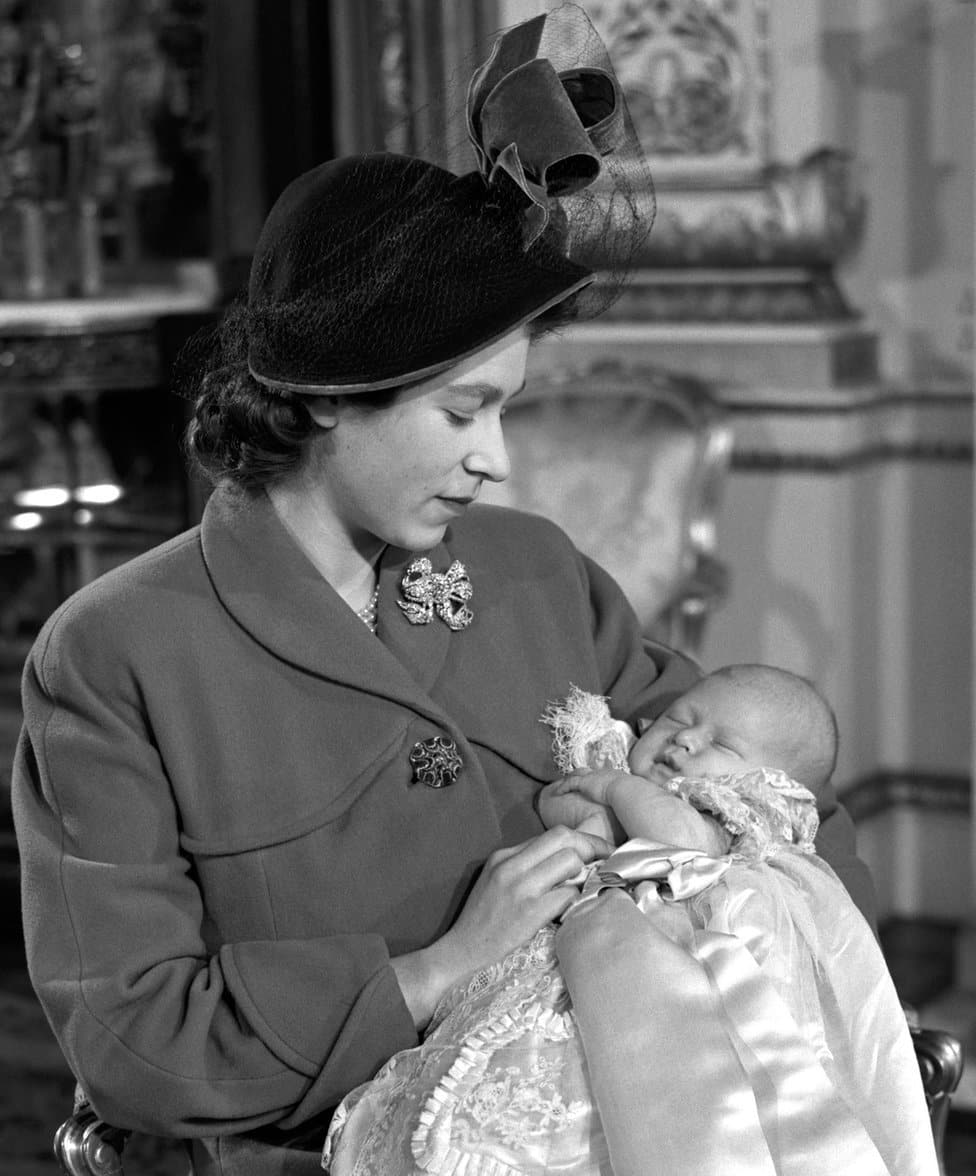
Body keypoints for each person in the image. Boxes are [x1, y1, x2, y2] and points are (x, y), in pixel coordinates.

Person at [11, 8, 875, 1175]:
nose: (496, 457)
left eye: (504, 407)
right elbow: (135, 1039)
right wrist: (430, 975)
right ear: (326, 391)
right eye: (462, 412)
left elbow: (779, 798)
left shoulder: (533, 572)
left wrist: (786, 944)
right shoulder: (116, 655)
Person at [322, 666, 936, 1176]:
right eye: (678, 720)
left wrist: (614, 789)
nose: (685, 741)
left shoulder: (736, 809)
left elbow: (678, 837)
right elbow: (555, 802)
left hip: (676, 977)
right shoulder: (636, 776)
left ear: (768, 777)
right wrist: (592, 801)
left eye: (721, 743)